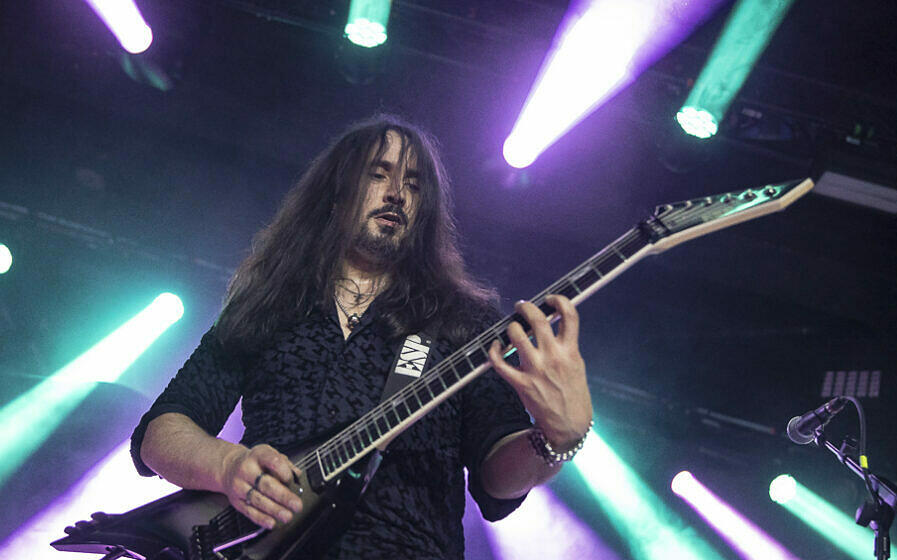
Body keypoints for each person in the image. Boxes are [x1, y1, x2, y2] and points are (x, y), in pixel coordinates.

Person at [130, 115, 593, 559]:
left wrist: (555, 440)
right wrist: (227, 467)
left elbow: (498, 478)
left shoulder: (461, 321)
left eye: (414, 185)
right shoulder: (271, 304)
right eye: (378, 174)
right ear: (336, 193)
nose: (397, 193)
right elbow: (160, 433)